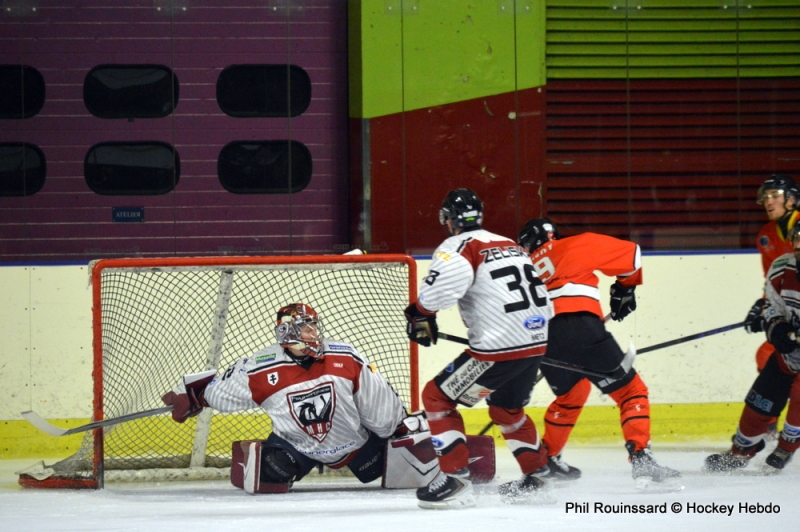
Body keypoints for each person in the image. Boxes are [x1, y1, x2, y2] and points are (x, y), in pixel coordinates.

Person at [161, 302, 422, 493]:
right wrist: (196, 397)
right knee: (272, 470)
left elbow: (375, 399)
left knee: (379, 466)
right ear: (287, 333)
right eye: (306, 327)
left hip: (355, 443)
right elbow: (227, 393)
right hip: (296, 447)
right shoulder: (261, 366)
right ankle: (261, 457)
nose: (314, 333)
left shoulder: (344, 356)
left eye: (313, 326)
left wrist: (397, 428)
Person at [404, 188, 554, 509]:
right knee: (506, 409)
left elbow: (445, 283)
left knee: (436, 397)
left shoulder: (460, 245)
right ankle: (537, 474)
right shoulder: (510, 244)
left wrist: (421, 312)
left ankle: (455, 480)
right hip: (537, 340)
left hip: (498, 347)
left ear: (447, 220)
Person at [517, 218, 681, 491]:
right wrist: (624, 289)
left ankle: (547, 461)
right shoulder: (574, 244)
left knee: (570, 395)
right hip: (581, 326)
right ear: (552, 235)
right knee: (630, 392)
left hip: (542, 340)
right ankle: (641, 458)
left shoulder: (520, 269)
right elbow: (632, 255)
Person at [705, 223, 800, 472]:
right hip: (787, 355)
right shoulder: (781, 268)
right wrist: (776, 328)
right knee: (759, 404)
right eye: (797, 239)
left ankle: (787, 446)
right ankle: (742, 450)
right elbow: (772, 306)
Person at [745, 174, 800, 371]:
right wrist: (764, 306)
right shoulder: (766, 236)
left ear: (792, 199)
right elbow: (773, 283)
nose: (769, 201)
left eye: (775, 195)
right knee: (766, 355)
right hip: (793, 310)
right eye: (766, 196)